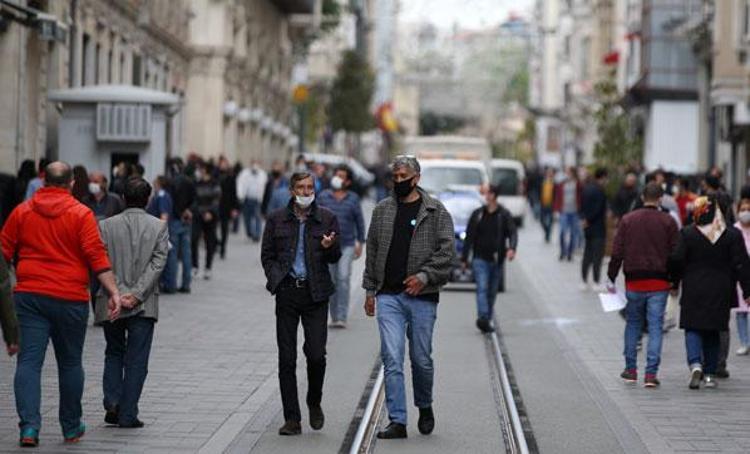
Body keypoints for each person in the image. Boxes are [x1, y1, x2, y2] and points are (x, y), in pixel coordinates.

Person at [1, 162, 122, 447]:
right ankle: (70, 426)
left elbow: (3, 250)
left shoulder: (23, 211)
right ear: (71, 184)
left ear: (43, 182)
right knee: (69, 363)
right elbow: (96, 255)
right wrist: (114, 292)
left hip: (29, 297)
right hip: (70, 298)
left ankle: (29, 428)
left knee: (29, 362)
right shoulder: (82, 214)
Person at [363, 156, 455, 439]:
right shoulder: (382, 211)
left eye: (403, 176)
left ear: (416, 178)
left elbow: (447, 253)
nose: (398, 181)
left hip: (422, 297)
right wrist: (369, 290)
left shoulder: (436, 211)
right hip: (389, 295)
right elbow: (373, 250)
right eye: (395, 176)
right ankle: (398, 420)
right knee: (391, 357)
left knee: (421, 359)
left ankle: (424, 406)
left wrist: (425, 277)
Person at [260, 171, 341, 436]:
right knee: (287, 357)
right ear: (292, 191)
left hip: (316, 293)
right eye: (301, 188)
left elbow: (335, 257)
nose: (306, 192)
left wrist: (329, 247)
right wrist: (276, 278)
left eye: (310, 187)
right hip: (287, 293)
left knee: (316, 355)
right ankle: (292, 418)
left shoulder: (327, 217)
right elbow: (267, 255)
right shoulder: (276, 219)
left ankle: (314, 401)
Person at [96, 177, 169, 428]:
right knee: (137, 359)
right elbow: (158, 263)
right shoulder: (158, 227)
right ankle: (128, 413)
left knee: (113, 351)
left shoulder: (105, 226)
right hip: (144, 303)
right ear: (148, 199)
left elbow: (100, 262)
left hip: (110, 300)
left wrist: (116, 292)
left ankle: (113, 401)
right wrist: (136, 294)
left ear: (124, 198)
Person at [671, 196, 750, 389]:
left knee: (692, 328)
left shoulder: (688, 233)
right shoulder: (731, 235)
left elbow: (676, 259)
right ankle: (709, 374)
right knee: (714, 331)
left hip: (693, 288)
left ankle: (696, 363)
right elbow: (742, 265)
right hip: (721, 289)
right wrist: (747, 290)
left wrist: (674, 282)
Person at [607, 182, 678, 388]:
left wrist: (611, 276)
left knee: (633, 324)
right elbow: (675, 254)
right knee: (655, 326)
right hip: (659, 282)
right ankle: (650, 374)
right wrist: (674, 280)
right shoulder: (668, 222)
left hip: (634, 282)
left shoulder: (628, 220)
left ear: (641, 197)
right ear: (661, 198)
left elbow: (617, 251)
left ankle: (630, 370)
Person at [461, 184, 517, 333]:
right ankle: (483, 317)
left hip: (497, 259)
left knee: (492, 292)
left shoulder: (504, 214)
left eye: (489, 193)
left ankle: (486, 319)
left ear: (494, 195)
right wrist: (464, 258)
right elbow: (469, 237)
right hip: (480, 258)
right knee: (482, 288)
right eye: (486, 193)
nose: (486, 196)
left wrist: (512, 248)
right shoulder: (478, 214)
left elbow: (512, 232)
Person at [318, 165, 366, 328]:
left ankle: (342, 316)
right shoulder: (324, 196)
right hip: (329, 245)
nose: (337, 178)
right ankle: (334, 316)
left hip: (347, 244)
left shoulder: (353, 198)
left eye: (342, 176)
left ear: (348, 181)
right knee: (331, 280)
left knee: (343, 278)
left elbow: (359, 221)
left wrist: (361, 242)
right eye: (336, 175)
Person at [165, 159, 195, 293]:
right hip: (187, 220)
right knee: (186, 253)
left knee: (173, 253)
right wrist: (188, 211)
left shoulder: (171, 183)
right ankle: (186, 284)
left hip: (175, 220)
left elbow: (170, 203)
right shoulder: (189, 181)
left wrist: (179, 213)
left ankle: (171, 285)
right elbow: (195, 200)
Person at [580, 168, 609, 291]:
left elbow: (581, 206)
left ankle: (583, 281)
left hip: (587, 228)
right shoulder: (600, 191)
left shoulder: (586, 189)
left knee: (587, 254)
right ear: (602, 177)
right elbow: (598, 210)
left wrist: (584, 219)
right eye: (606, 178)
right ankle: (596, 282)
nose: (607, 181)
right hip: (597, 227)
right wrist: (589, 219)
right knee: (597, 255)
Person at [191, 164, 221, 280]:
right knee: (194, 240)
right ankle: (195, 266)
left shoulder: (215, 184)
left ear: (206, 171)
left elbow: (217, 200)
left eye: (201, 170)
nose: (199, 172)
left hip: (211, 217)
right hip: (198, 216)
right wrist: (200, 212)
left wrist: (210, 213)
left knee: (210, 242)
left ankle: (208, 268)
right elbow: (194, 200)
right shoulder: (196, 184)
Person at [733, 198, 750, 356]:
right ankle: (744, 342)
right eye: (743, 209)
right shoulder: (734, 230)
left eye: (748, 209)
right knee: (741, 312)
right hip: (740, 276)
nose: (746, 212)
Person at [554, 167, 582, 261]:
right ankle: (563, 251)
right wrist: (557, 209)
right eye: (566, 172)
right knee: (562, 232)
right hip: (564, 211)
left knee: (573, 234)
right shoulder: (562, 184)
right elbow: (557, 196)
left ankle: (570, 253)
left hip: (574, 212)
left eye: (569, 172)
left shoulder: (578, 184)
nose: (567, 174)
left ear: (573, 173)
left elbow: (581, 196)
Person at [236, 160, 267, 242]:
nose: (255, 166)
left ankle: (257, 235)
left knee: (257, 217)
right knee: (247, 218)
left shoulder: (262, 174)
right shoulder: (244, 173)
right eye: (253, 163)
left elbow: (264, 186)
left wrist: (263, 198)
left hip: (257, 199)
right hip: (247, 199)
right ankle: (249, 232)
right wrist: (240, 195)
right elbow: (240, 184)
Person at [217, 158, 239, 258]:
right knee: (212, 229)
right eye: (222, 164)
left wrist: (234, 208)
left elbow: (234, 193)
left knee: (224, 228)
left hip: (226, 206)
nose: (223, 166)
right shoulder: (215, 176)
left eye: (225, 164)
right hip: (215, 206)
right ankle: (217, 244)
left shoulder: (231, 178)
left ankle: (222, 248)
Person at [539, 168, 556, 243]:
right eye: (548, 173)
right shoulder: (543, 182)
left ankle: (548, 235)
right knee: (542, 220)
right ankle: (546, 231)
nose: (549, 174)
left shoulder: (554, 183)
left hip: (551, 205)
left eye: (551, 173)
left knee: (550, 221)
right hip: (543, 204)